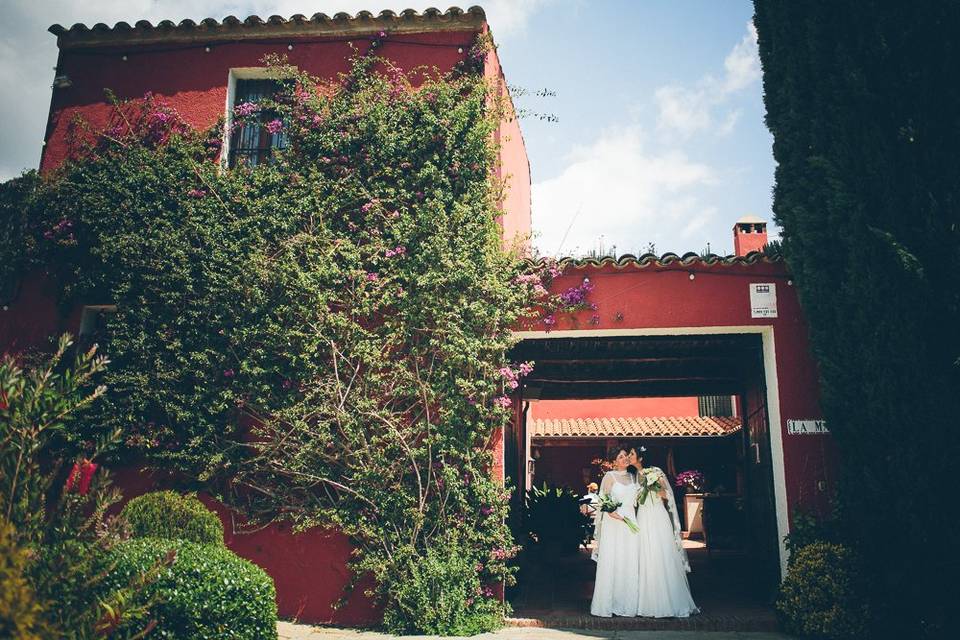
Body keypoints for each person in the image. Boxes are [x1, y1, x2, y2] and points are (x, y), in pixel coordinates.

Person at [629, 445, 699, 618]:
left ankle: (668, 600)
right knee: (645, 555)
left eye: (631, 454)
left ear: (640, 458)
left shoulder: (655, 471)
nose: (630, 456)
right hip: (643, 517)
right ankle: (647, 601)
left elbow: (667, 495)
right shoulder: (633, 476)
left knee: (661, 553)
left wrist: (652, 487)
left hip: (657, 515)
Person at [590, 447, 641, 617]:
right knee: (614, 560)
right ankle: (608, 604)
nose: (625, 458)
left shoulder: (634, 477)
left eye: (626, 455)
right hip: (614, 522)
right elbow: (601, 499)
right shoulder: (609, 477)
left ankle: (628, 604)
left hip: (630, 520)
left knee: (630, 560)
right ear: (613, 462)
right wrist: (610, 511)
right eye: (621, 457)